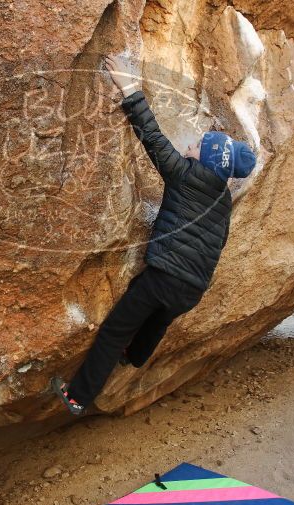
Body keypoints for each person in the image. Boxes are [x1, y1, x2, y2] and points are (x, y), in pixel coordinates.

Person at [51, 53, 257, 416]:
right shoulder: (223, 198)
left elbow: (153, 138)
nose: (189, 145)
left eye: (196, 145)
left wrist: (128, 86)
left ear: (205, 160)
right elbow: (219, 242)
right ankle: (136, 356)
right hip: (192, 289)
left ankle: (77, 397)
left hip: (164, 278)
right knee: (157, 321)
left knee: (116, 329)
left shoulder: (186, 175)